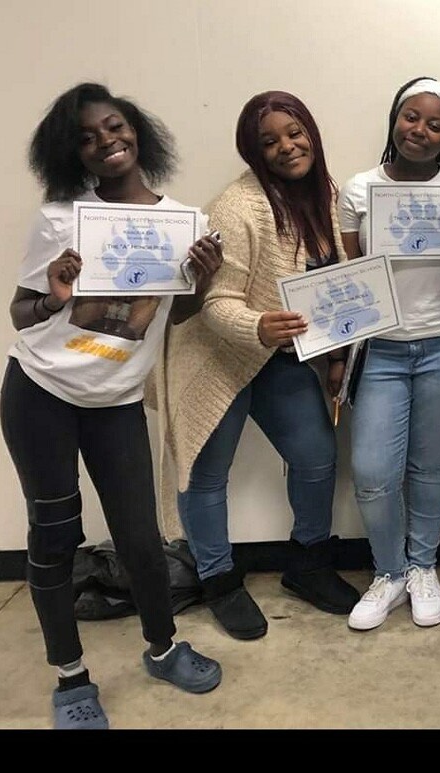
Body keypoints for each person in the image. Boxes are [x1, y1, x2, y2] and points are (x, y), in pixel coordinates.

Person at [0, 82, 223, 730]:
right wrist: (55, 297)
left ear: (138, 131)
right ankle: (71, 677)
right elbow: (21, 312)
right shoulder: (60, 219)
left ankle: (163, 648)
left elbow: (179, 315)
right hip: (40, 391)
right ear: (72, 153)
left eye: (115, 126)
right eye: (87, 137)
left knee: (141, 537)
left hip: (117, 397)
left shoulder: (184, 223)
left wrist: (203, 280)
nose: (106, 141)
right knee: (53, 536)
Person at [157, 91, 360, 641]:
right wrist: (258, 326)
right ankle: (218, 580)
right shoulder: (238, 205)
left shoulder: (328, 194)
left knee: (316, 457)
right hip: (217, 355)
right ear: (253, 151)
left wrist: (337, 355)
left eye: (294, 133)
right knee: (205, 474)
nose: (286, 147)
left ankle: (308, 564)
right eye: (269, 141)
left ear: (311, 133)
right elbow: (216, 303)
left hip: (279, 356)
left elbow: (337, 286)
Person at [337, 77, 440, 631]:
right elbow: (351, 277)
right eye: (410, 117)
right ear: (395, 119)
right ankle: (388, 573)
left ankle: (422, 567)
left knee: (430, 466)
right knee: (372, 472)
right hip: (380, 351)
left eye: (435, 125)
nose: (419, 130)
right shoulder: (359, 188)